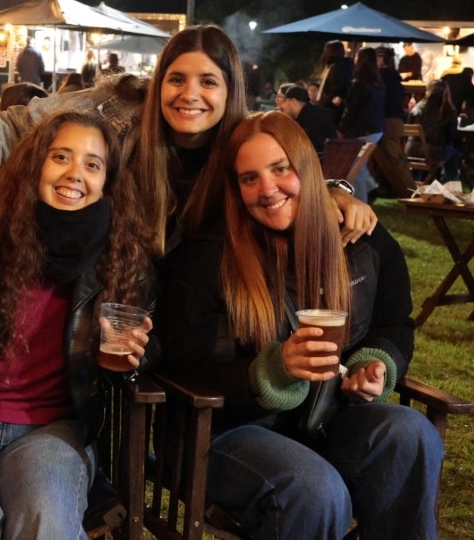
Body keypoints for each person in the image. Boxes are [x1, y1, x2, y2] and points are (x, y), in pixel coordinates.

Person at [160, 110, 443, 539]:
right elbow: (184, 361)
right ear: (235, 189)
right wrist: (272, 371)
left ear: (308, 169)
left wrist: (375, 365)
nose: (267, 189)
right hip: (232, 431)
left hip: (332, 418)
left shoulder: (363, 242)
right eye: (249, 178)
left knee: (411, 432)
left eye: (280, 169)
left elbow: (394, 324)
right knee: (314, 488)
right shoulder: (207, 260)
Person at [0, 25, 376, 255]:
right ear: (158, 83)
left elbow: (289, 171)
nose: (189, 95)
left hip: (205, 290)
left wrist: (337, 190)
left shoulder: (244, 134)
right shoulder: (120, 105)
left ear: (230, 90)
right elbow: (16, 127)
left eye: (208, 82)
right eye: (177, 79)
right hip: (116, 276)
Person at [0, 110, 158, 540]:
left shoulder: (124, 258)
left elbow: (144, 356)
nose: (75, 174)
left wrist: (137, 356)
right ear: (35, 164)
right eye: (61, 157)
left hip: (52, 427)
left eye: (92, 164)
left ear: (108, 181)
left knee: (47, 517)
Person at [338, 47, 385, 202]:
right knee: (360, 164)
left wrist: (342, 129)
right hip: (376, 130)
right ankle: (371, 188)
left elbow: (351, 110)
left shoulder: (359, 84)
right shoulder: (378, 85)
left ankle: (360, 200)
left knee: (354, 166)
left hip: (360, 131)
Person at [370, 46, 417, 198]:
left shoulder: (382, 76)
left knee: (393, 160)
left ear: (381, 59)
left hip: (386, 121)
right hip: (394, 120)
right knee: (385, 159)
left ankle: (411, 194)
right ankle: (380, 190)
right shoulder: (394, 77)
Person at [407, 79, 460, 183]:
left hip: (411, 149)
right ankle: (451, 182)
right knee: (453, 153)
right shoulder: (447, 110)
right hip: (432, 150)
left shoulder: (417, 108)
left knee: (447, 151)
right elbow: (451, 135)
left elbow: (409, 124)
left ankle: (413, 182)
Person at [275, 84, 336, 156]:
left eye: (285, 101)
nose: (282, 106)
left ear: (293, 101)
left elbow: (313, 148)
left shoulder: (308, 119)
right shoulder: (314, 112)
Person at [316, 40, 354, 127]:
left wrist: (323, 103)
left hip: (331, 109)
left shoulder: (336, 68)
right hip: (331, 108)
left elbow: (335, 89)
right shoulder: (335, 66)